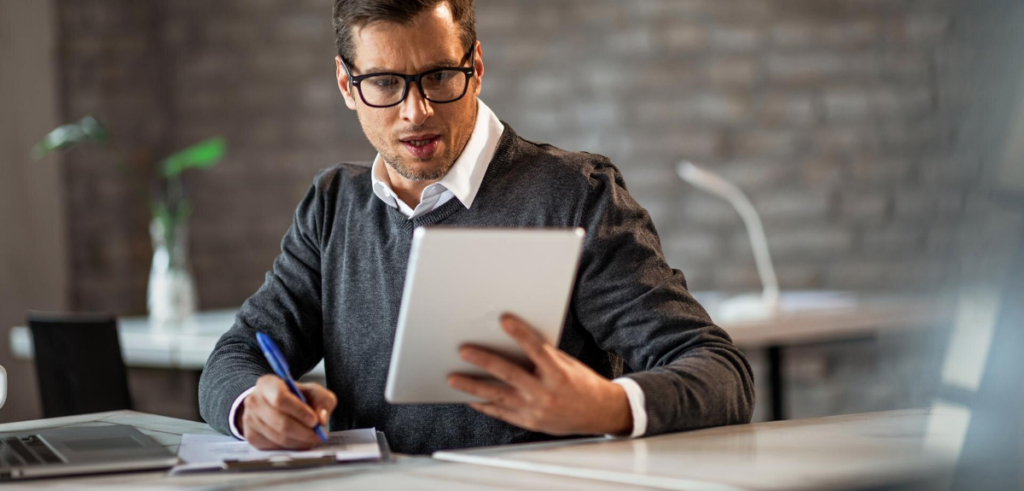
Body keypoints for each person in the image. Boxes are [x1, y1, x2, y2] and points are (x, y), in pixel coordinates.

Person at [198, 0, 755, 455]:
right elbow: (237, 354)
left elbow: (722, 373)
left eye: (439, 76)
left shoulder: (574, 195)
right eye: (385, 83)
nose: (416, 111)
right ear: (346, 85)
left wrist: (607, 406)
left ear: (477, 66)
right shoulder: (332, 207)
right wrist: (253, 406)